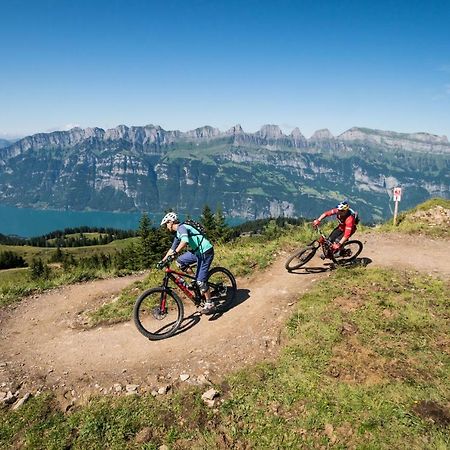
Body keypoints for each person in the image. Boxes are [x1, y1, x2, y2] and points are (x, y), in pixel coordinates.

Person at [159, 212, 215, 314]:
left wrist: (175, 252)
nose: (166, 227)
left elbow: (184, 241)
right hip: (197, 252)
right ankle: (196, 281)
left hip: (205, 252)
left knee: (201, 281)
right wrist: (162, 261)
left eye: (166, 224)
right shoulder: (177, 234)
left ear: (171, 222)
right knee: (180, 262)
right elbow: (172, 249)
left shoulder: (182, 228)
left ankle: (209, 302)